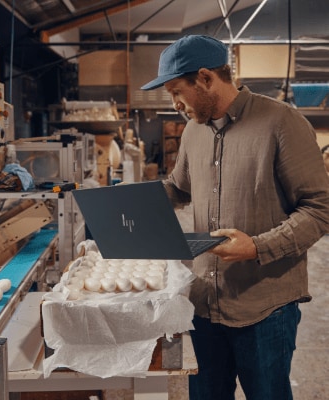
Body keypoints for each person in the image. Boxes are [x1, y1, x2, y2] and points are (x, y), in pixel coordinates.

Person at [141, 35, 329, 400]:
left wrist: (257, 247)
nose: (175, 104)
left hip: (264, 308)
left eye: (177, 91)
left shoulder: (281, 123)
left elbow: (319, 209)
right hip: (204, 303)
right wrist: (126, 205)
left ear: (207, 78)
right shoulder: (193, 130)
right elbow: (178, 187)